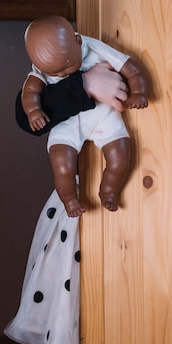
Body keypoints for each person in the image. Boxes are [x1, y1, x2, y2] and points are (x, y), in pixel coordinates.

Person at [6, 69, 171, 344]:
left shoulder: (133, 55)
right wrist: (85, 85)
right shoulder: (67, 64)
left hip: (141, 213)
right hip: (82, 220)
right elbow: (26, 117)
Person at [21, 15, 149, 217]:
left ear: (78, 40)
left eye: (67, 67)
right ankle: (70, 200)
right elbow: (29, 91)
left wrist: (139, 92)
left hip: (104, 116)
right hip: (68, 123)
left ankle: (109, 191)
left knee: (120, 157)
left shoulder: (93, 47)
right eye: (56, 74)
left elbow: (129, 68)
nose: (63, 75)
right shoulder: (45, 65)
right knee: (62, 166)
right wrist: (33, 111)